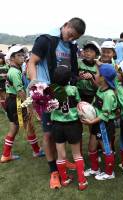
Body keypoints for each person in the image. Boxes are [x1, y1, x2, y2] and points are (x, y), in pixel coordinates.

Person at [28, 17, 86, 189]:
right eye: (69, 34)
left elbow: (73, 69)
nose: (70, 38)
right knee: (48, 134)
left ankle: (62, 161)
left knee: (64, 129)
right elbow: (32, 62)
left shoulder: (71, 45)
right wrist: (34, 83)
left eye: (74, 37)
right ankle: (54, 170)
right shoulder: (45, 39)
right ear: (66, 25)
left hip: (66, 93)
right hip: (47, 92)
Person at [0, 45, 43, 163]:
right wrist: (29, 106)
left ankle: (6, 154)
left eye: (23, 54)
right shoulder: (15, 72)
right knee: (29, 126)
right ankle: (37, 151)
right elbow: (20, 91)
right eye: (19, 55)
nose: (22, 57)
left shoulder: (14, 70)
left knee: (14, 127)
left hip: (12, 101)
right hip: (17, 101)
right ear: (12, 58)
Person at [50, 65, 88, 190]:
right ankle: (82, 181)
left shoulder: (51, 90)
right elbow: (79, 103)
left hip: (57, 125)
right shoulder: (73, 89)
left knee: (61, 155)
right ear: (68, 78)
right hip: (72, 124)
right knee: (77, 154)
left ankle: (65, 180)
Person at [83, 64, 117, 181]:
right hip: (97, 123)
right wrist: (84, 111)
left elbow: (105, 114)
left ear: (103, 78)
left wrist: (91, 121)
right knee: (91, 147)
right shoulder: (100, 89)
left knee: (106, 149)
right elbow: (94, 105)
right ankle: (95, 168)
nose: (95, 75)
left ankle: (109, 172)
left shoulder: (109, 94)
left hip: (105, 125)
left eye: (97, 73)